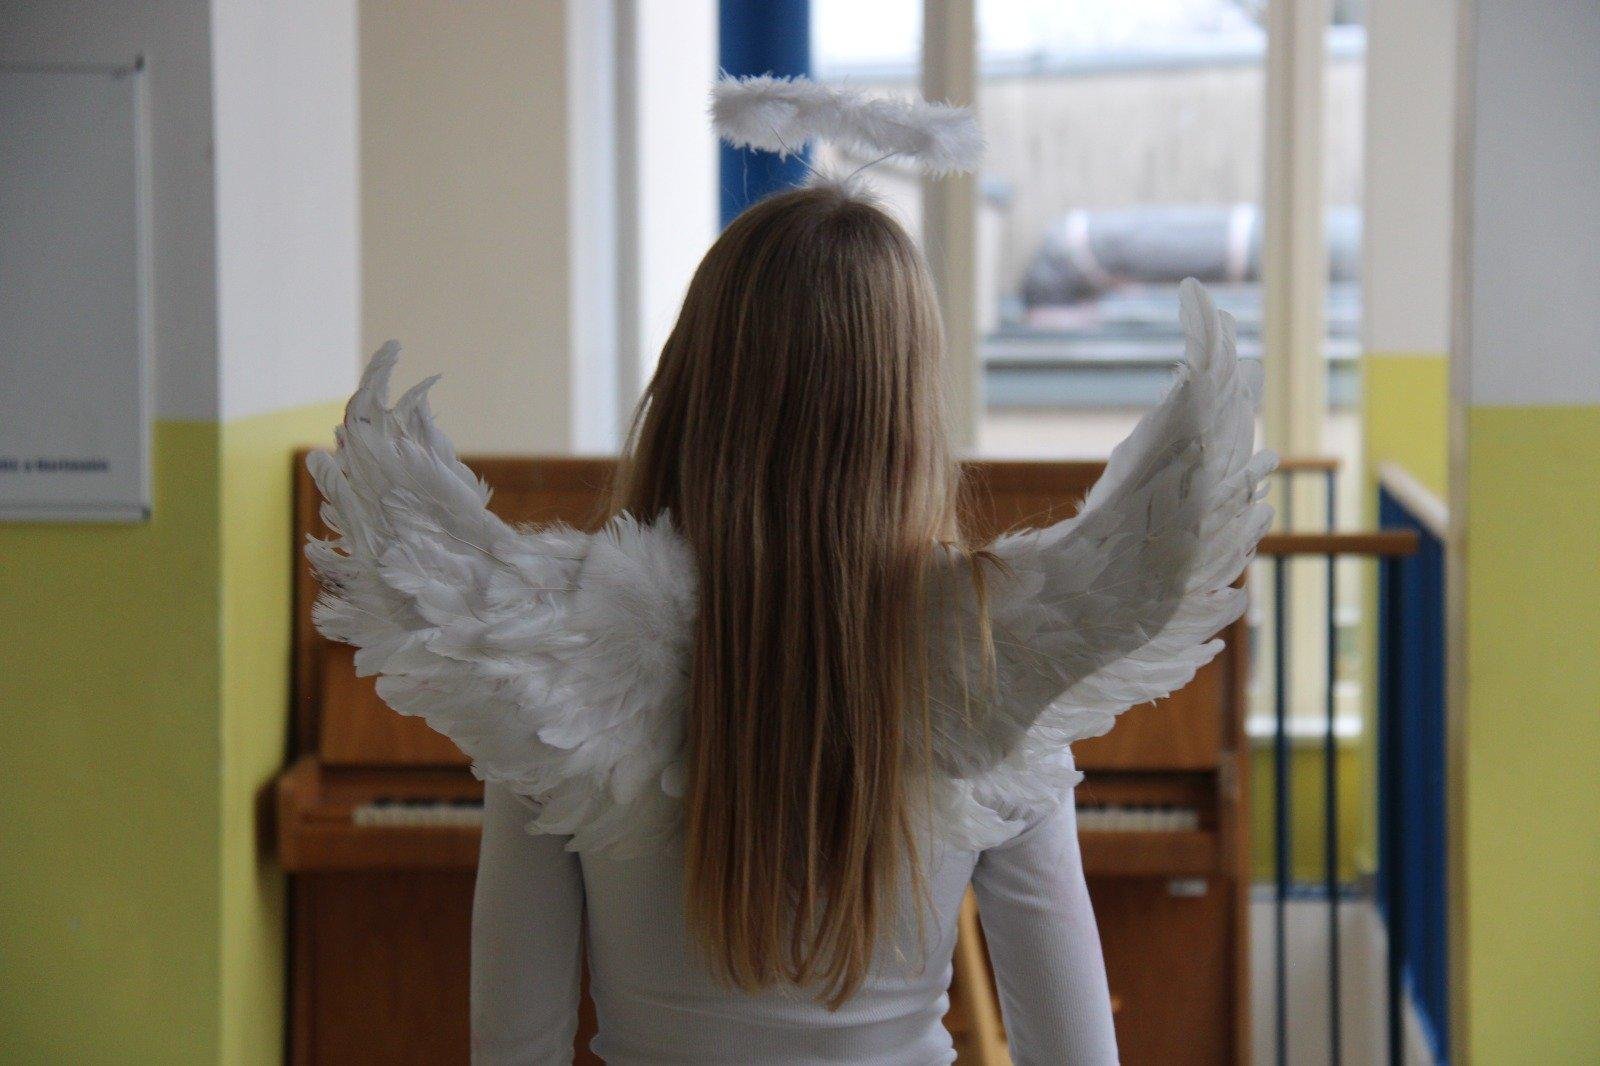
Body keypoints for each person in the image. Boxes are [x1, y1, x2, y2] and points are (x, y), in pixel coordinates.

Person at [306, 83, 1273, 1066]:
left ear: (693, 385)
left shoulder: (559, 658)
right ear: (907, 418)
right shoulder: (989, 661)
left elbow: (516, 1046)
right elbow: (1075, 1051)